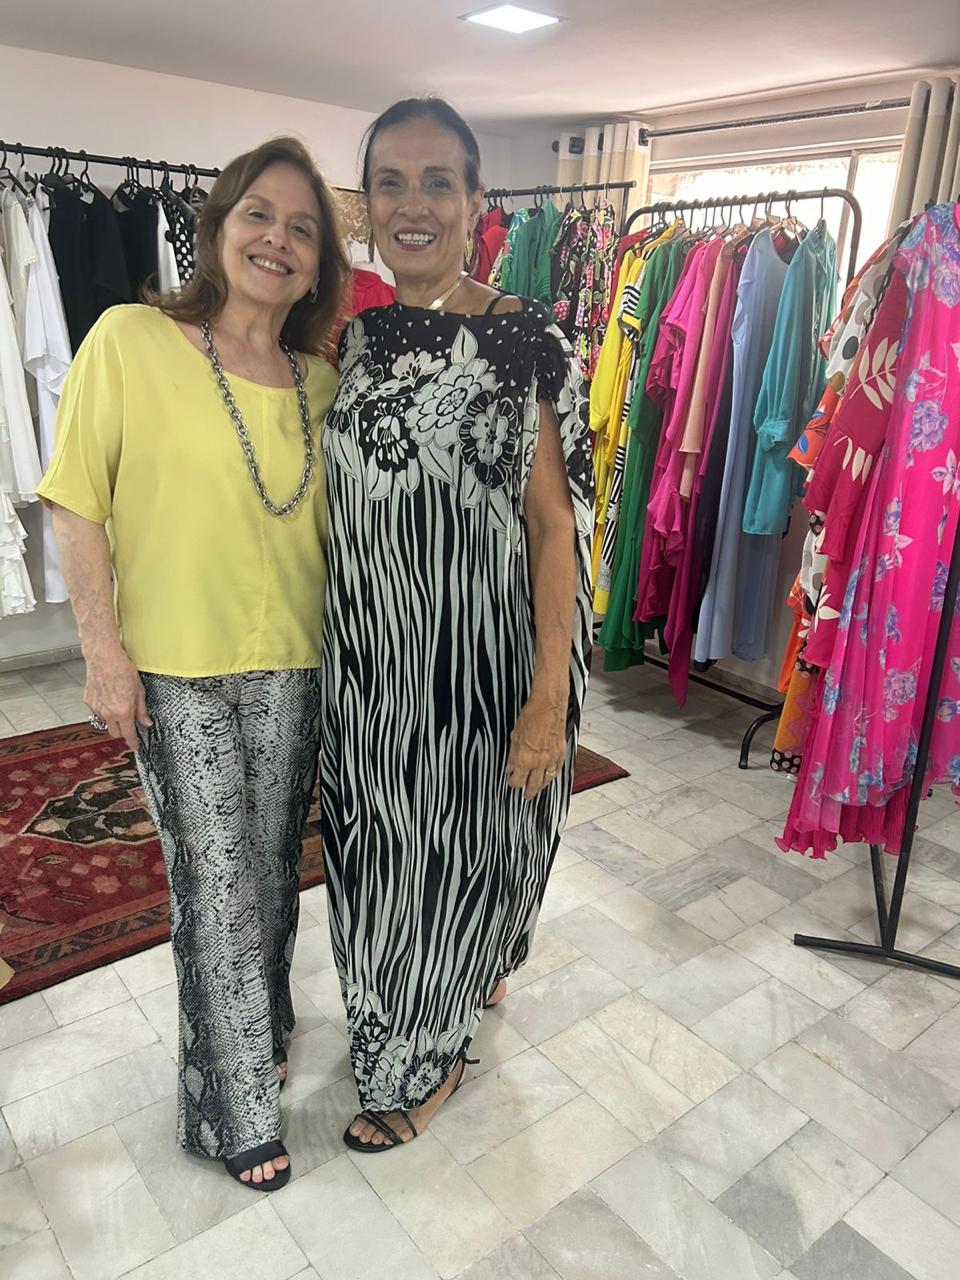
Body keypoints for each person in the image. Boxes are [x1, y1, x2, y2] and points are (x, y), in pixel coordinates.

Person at [37, 138, 350, 1190]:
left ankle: (262, 1023)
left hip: (294, 666)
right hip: (176, 671)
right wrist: (101, 649)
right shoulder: (131, 339)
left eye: (301, 228)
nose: (277, 240)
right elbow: (75, 500)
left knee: (269, 875)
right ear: (217, 226)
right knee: (213, 888)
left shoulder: (320, 383)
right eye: (259, 214)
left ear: (319, 262)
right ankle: (232, 1110)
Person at [320, 98, 594, 1152]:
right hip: (369, 669)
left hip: (477, 667)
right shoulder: (358, 339)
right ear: (367, 206)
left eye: (439, 181)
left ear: (478, 201)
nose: (414, 204)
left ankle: (423, 1061)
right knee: (375, 860)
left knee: (443, 861)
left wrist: (546, 694)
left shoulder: (527, 338)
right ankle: (441, 986)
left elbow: (555, 526)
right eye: (391, 182)